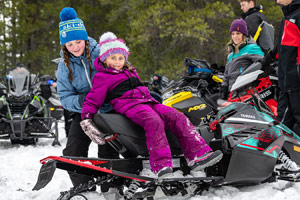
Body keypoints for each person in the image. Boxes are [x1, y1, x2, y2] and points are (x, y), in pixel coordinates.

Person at [80, 32, 223, 177]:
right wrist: (86, 117)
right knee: (154, 122)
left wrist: (152, 96)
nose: (117, 61)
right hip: (130, 106)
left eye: (121, 58)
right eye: (113, 58)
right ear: (105, 60)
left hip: (148, 102)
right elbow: (93, 98)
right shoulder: (102, 77)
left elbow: (138, 89)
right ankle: (161, 165)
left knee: (177, 116)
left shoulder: (130, 71)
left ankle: (198, 155)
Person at [56, 7, 119, 189]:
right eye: (70, 44)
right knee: (73, 151)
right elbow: (65, 97)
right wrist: (82, 101)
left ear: (84, 38)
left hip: (109, 110)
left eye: (78, 41)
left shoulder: (101, 53)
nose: (75, 47)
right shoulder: (64, 67)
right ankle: (85, 186)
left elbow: (120, 72)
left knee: (108, 151)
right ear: (64, 46)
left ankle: (111, 188)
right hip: (84, 113)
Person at [259, 0, 300, 136]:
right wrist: (268, 59)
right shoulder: (287, 17)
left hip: (296, 84)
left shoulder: (298, 16)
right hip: (285, 83)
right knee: (282, 125)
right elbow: (282, 46)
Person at [220, 19, 264, 99]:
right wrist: (224, 88)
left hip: (247, 93)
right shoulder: (231, 55)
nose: (235, 36)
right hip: (233, 95)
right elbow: (226, 75)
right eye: (233, 34)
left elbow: (263, 64)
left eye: (238, 33)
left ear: (244, 34)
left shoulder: (252, 48)